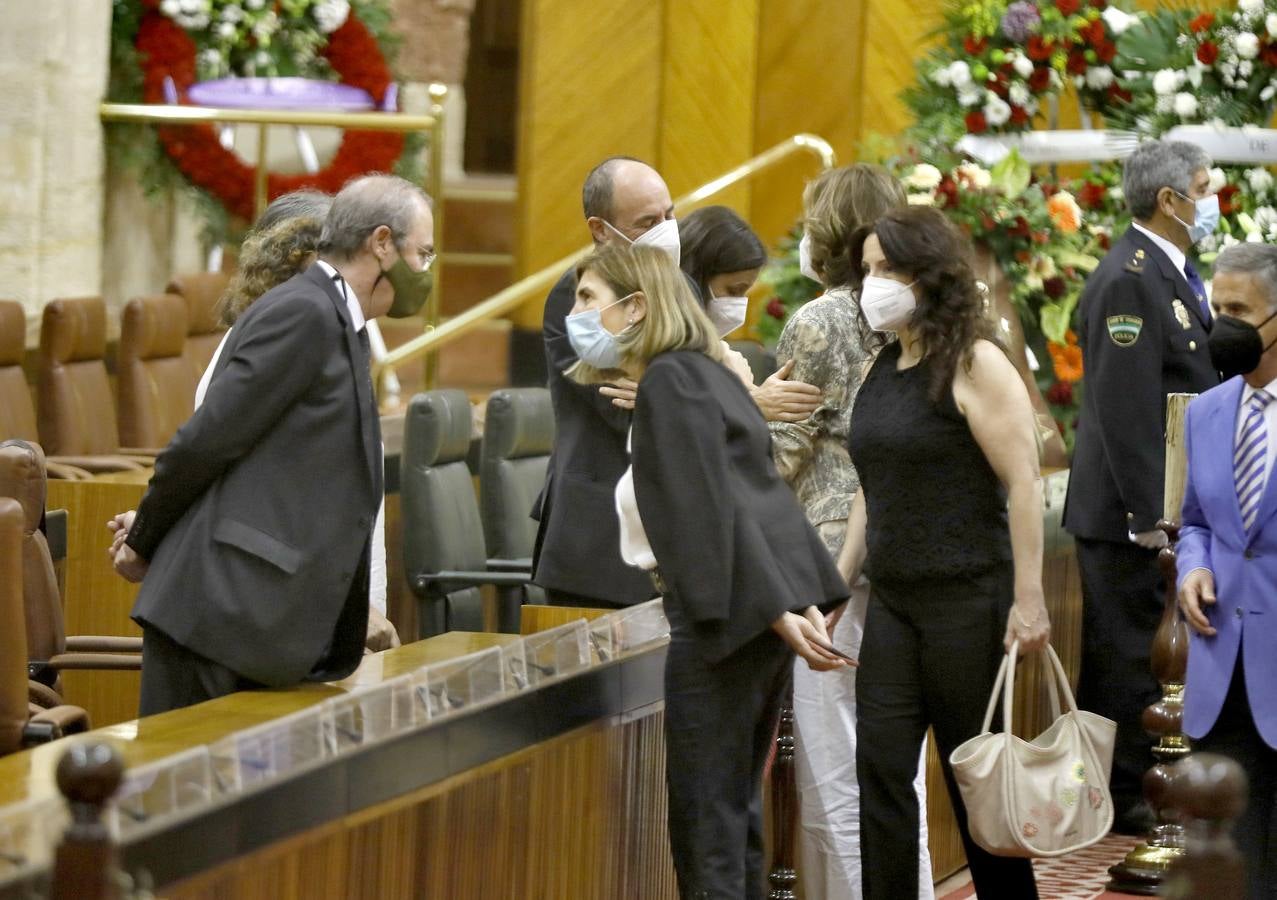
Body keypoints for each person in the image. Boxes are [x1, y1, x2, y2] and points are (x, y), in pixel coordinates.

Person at [567, 242, 850, 899]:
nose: (576, 314)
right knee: (732, 816)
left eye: (588, 299)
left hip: (719, 622)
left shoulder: (668, 381)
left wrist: (773, 607)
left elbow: (707, 508)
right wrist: (785, 602)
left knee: (706, 825)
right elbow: (753, 494)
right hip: (751, 617)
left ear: (636, 306)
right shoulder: (706, 372)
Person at [110, 174, 434, 715]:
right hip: (221, 618)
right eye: (422, 252)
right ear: (381, 243)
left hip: (258, 622)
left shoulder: (338, 320)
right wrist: (145, 537)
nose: (426, 270)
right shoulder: (303, 312)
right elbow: (206, 443)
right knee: (185, 793)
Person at [839, 206, 1049, 899]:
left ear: (927, 275)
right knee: (880, 775)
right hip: (894, 603)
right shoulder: (883, 364)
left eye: (886, 269)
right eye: (866, 270)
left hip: (968, 599)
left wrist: (1027, 601)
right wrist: (834, 584)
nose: (872, 283)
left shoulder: (974, 359)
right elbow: (874, 487)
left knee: (977, 790)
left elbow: (1022, 484)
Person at [532, 157, 819, 608]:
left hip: (680, 541)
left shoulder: (679, 286)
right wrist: (744, 402)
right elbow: (629, 409)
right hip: (599, 546)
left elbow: (680, 388)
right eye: (648, 221)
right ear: (601, 229)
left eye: (669, 215)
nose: (667, 229)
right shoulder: (577, 298)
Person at [763, 164, 934, 898]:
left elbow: (785, 447)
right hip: (901, 543)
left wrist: (729, 415)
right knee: (899, 765)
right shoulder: (920, 311)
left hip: (826, 559)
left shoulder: (819, 319)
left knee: (832, 755)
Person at [1063, 139, 1221, 832]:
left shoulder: (1170, 272)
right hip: (1128, 513)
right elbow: (1125, 409)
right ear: (1169, 199)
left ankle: (1148, 785)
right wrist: (1153, 512)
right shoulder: (1130, 277)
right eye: (1205, 188)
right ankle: (1128, 796)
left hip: (1157, 505)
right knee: (1128, 656)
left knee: (1149, 653)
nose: (1212, 201)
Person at [1177, 242, 1277, 899]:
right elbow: (1193, 522)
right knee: (1229, 860)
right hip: (1221, 655)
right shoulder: (1205, 411)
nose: (1223, 326)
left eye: (1237, 309)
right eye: (1216, 309)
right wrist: (1191, 567)